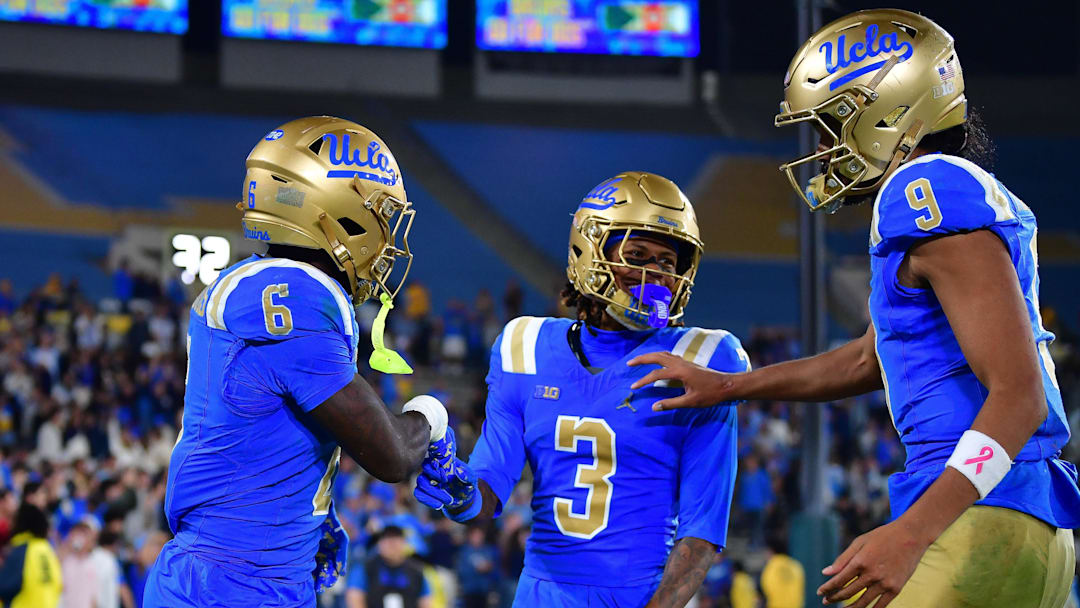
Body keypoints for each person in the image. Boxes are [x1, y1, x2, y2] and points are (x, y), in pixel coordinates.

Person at [628, 9, 1079, 608]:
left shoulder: (922, 189)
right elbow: (868, 359)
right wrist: (730, 386)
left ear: (885, 112)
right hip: (1023, 517)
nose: (821, 147)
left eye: (830, 124)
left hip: (977, 516)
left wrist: (914, 530)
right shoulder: (954, 195)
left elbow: (1018, 395)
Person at [143, 116, 449, 607]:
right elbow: (391, 455)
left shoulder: (251, 279)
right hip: (238, 584)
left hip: (234, 572)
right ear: (335, 211)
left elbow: (263, 427)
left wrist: (311, 518)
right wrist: (432, 416)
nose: (387, 235)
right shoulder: (295, 297)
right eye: (379, 215)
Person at [415, 172, 748, 607]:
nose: (656, 273)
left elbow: (702, 532)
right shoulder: (524, 346)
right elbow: (491, 481)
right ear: (590, 251)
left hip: (641, 597)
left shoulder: (704, 359)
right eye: (638, 254)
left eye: (668, 263)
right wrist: (461, 495)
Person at [346, 526, 432, 608]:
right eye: (387, 540)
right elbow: (355, 598)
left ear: (405, 543)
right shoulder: (365, 567)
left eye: (396, 540)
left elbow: (425, 601)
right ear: (379, 544)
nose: (392, 544)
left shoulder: (417, 570)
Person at [0, 501, 62, 608]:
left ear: (21, 522)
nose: (9, 524)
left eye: (13, 519)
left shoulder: (22, 550)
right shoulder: (47, 549)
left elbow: (5, 587)